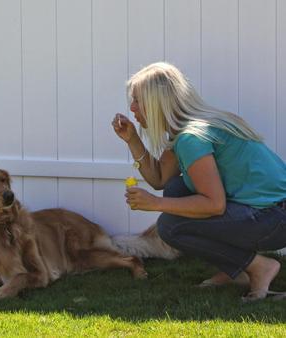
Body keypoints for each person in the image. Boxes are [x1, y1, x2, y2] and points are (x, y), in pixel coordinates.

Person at [112, 62, 286, 301]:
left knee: (170, 226)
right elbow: (160, 179)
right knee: (175, 188)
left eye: (138, 100)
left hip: (275, 218)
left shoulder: (192, 138)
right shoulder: (188, 129)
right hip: (271, 213)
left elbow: (215, 205)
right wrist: (132, 140)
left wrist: (155, 204)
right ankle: (234, 270)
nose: (132, 107)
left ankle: (259, 267)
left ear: (158, 103)